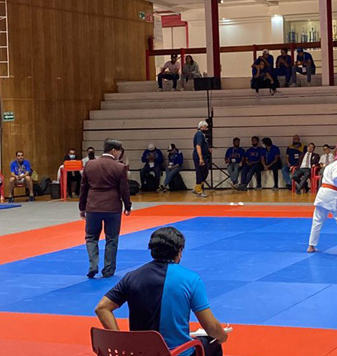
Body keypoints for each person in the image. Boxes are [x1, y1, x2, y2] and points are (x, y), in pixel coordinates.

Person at [94, 227, 228, 356]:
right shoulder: (191, 279)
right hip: (176, 353)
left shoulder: (131, 276)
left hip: (138, 353)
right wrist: (222, 336)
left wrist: (120, 342)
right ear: (179, 251)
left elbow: (102, 308)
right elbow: (211, 327)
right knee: (213, 344)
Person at [79, 138, 131, 278]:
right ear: (114, 150)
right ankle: (108, 269)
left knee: (91, 237)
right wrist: (127, 205)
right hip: (112, 207)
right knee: (112, 239)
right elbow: (124, 189)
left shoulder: (90, 164)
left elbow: (83, 188)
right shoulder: (119, 167)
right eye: (120, 151)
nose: (120, 154)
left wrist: (82, 207)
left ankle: (93, 265)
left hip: (93, 206)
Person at [193, 121, 211, 198]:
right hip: (199, 156)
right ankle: (199, 191)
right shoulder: (199, 135)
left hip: (204, 155)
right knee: (200, 173)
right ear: (201, 127)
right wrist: (200, 158)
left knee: (205, 172)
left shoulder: (203, 135)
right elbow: (198, 146)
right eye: (205, 127)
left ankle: (197, 187)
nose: (207, 129)